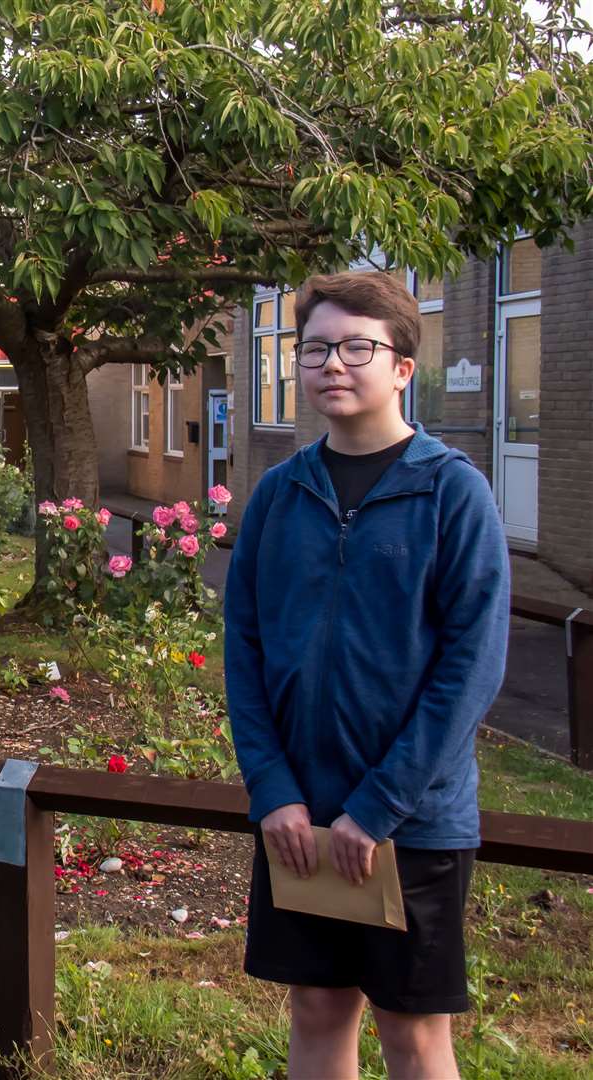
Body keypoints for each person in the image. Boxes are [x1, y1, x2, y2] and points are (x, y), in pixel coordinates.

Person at [224, 271, 509, 1079]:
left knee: (414, 1032)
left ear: (402, 367)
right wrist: (272, 788)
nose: (331, 365)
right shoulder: (280, 495)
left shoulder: (452, 493)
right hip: (299, 818)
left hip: (410, 823)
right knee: (315, 1011)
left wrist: (378, 808)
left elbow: (472, 667)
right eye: (313, 348)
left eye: (357, 347)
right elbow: (243, 649)